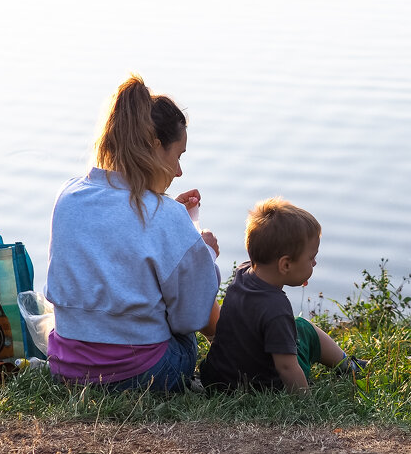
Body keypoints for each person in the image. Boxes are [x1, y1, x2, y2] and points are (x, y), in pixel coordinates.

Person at [45, 75, 220, 392]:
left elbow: (117, 238)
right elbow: (190, 316)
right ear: (155, 147)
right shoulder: (165, 215)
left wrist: (176, 228)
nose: (179, 171)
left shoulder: (68, 196)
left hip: (65, 366)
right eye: (178, 156)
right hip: (138, 375)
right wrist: (202, 253)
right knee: (184, 335)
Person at [199, 198, 364, 393]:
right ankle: (349, 366)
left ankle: (348, 365)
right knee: (304, 328)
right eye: (311, 258)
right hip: (261, 387)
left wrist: (298, 270)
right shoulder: (276, 308)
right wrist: (306, 402)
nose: (315, 263)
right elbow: (286, 366)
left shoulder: (242, 275)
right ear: (285, 265)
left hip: (217, 378)